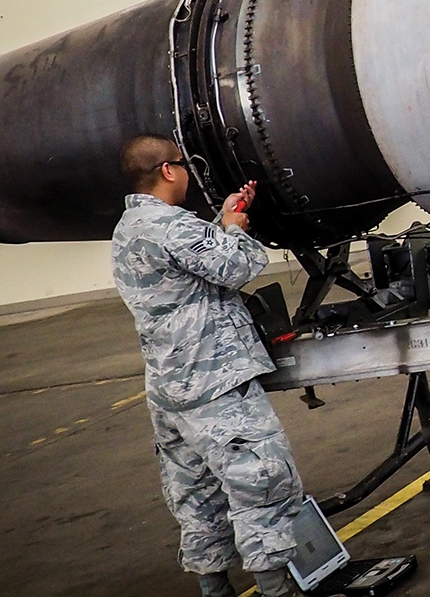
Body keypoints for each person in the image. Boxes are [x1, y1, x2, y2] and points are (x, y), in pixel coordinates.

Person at [111, 134, 303, 597]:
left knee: (197, 496)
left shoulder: (130, 226)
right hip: (214, 383)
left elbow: (191, 266)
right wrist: (236, 228)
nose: (188, 172)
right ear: (168, 171)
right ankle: (279, 590)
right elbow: (239, 266)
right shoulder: (172, 226)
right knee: (261, 481)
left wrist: (223, 219)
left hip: (169, 389)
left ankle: (214, 589)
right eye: (183, 163)